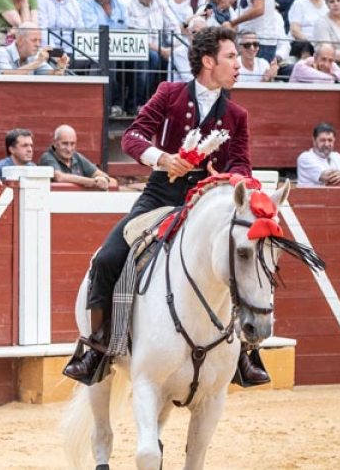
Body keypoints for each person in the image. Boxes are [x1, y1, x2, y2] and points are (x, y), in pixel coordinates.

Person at [63, 25, 263, 387]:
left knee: (238, 261)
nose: (239, 64)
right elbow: (133, 136)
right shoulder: (170, 94)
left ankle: (244, 353)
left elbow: (243, 166)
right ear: (207, 60)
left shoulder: (237, 115)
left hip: (208, 203)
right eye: (231, 56)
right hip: (161, 195)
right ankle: (98, 346)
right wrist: (163, 158)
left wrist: (227, 177)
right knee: (108, 258)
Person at [39, 124, 115, 191]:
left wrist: (103, 179)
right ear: (54, 143)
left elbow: (102, 175)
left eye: (72, 144)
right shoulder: (47, 157)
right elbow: (60, 178)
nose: (69, 149)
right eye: (65, 144)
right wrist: (94, 182)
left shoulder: (77, 156)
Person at [296, 122, 340, 188]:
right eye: (322, 140)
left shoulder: (337, 157)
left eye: (330, 140)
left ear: (334, 141)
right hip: (311, 200)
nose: (326, 144)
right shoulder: (305, 157)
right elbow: (329, 178)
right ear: (314, 140)